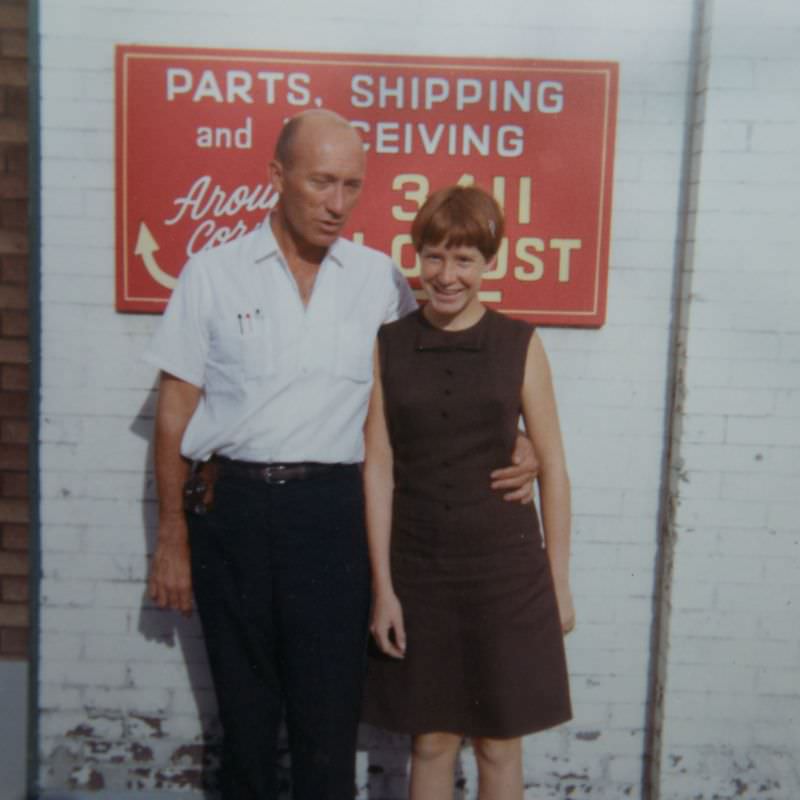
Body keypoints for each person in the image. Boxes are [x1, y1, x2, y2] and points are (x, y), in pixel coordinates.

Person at [143, 110, 538, 800]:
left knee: (328, 726)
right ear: (276, 176)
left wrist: (516, 432)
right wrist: (171, 540)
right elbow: (175, 411)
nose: (337, 203)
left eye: (351, 185)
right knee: (245, 723)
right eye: (322, 181)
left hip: (331, 516)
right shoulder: (212, 274)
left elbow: (435, 378)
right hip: (228, 513)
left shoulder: (378, 280)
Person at [361, 185, 574, 800]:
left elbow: (554, 468)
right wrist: (384, 590)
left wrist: (557, 582)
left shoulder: (520, 343)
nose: (446, 276)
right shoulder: (390, 345)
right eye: (433, 257)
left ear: (489, 263)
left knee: (499, 743)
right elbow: (377, 468)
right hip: (420, 569)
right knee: (430, 741)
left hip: (507, 573)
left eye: (463, 261)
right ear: (416, 257)